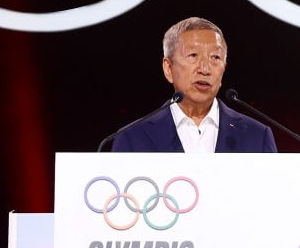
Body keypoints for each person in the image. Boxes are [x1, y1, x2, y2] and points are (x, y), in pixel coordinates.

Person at [112, 17, 277, 153]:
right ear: (168, 68)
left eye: (215, 57)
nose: (205, 69)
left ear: (223, 69)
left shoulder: (257, 136)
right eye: (193, 55)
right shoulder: (132, 138)